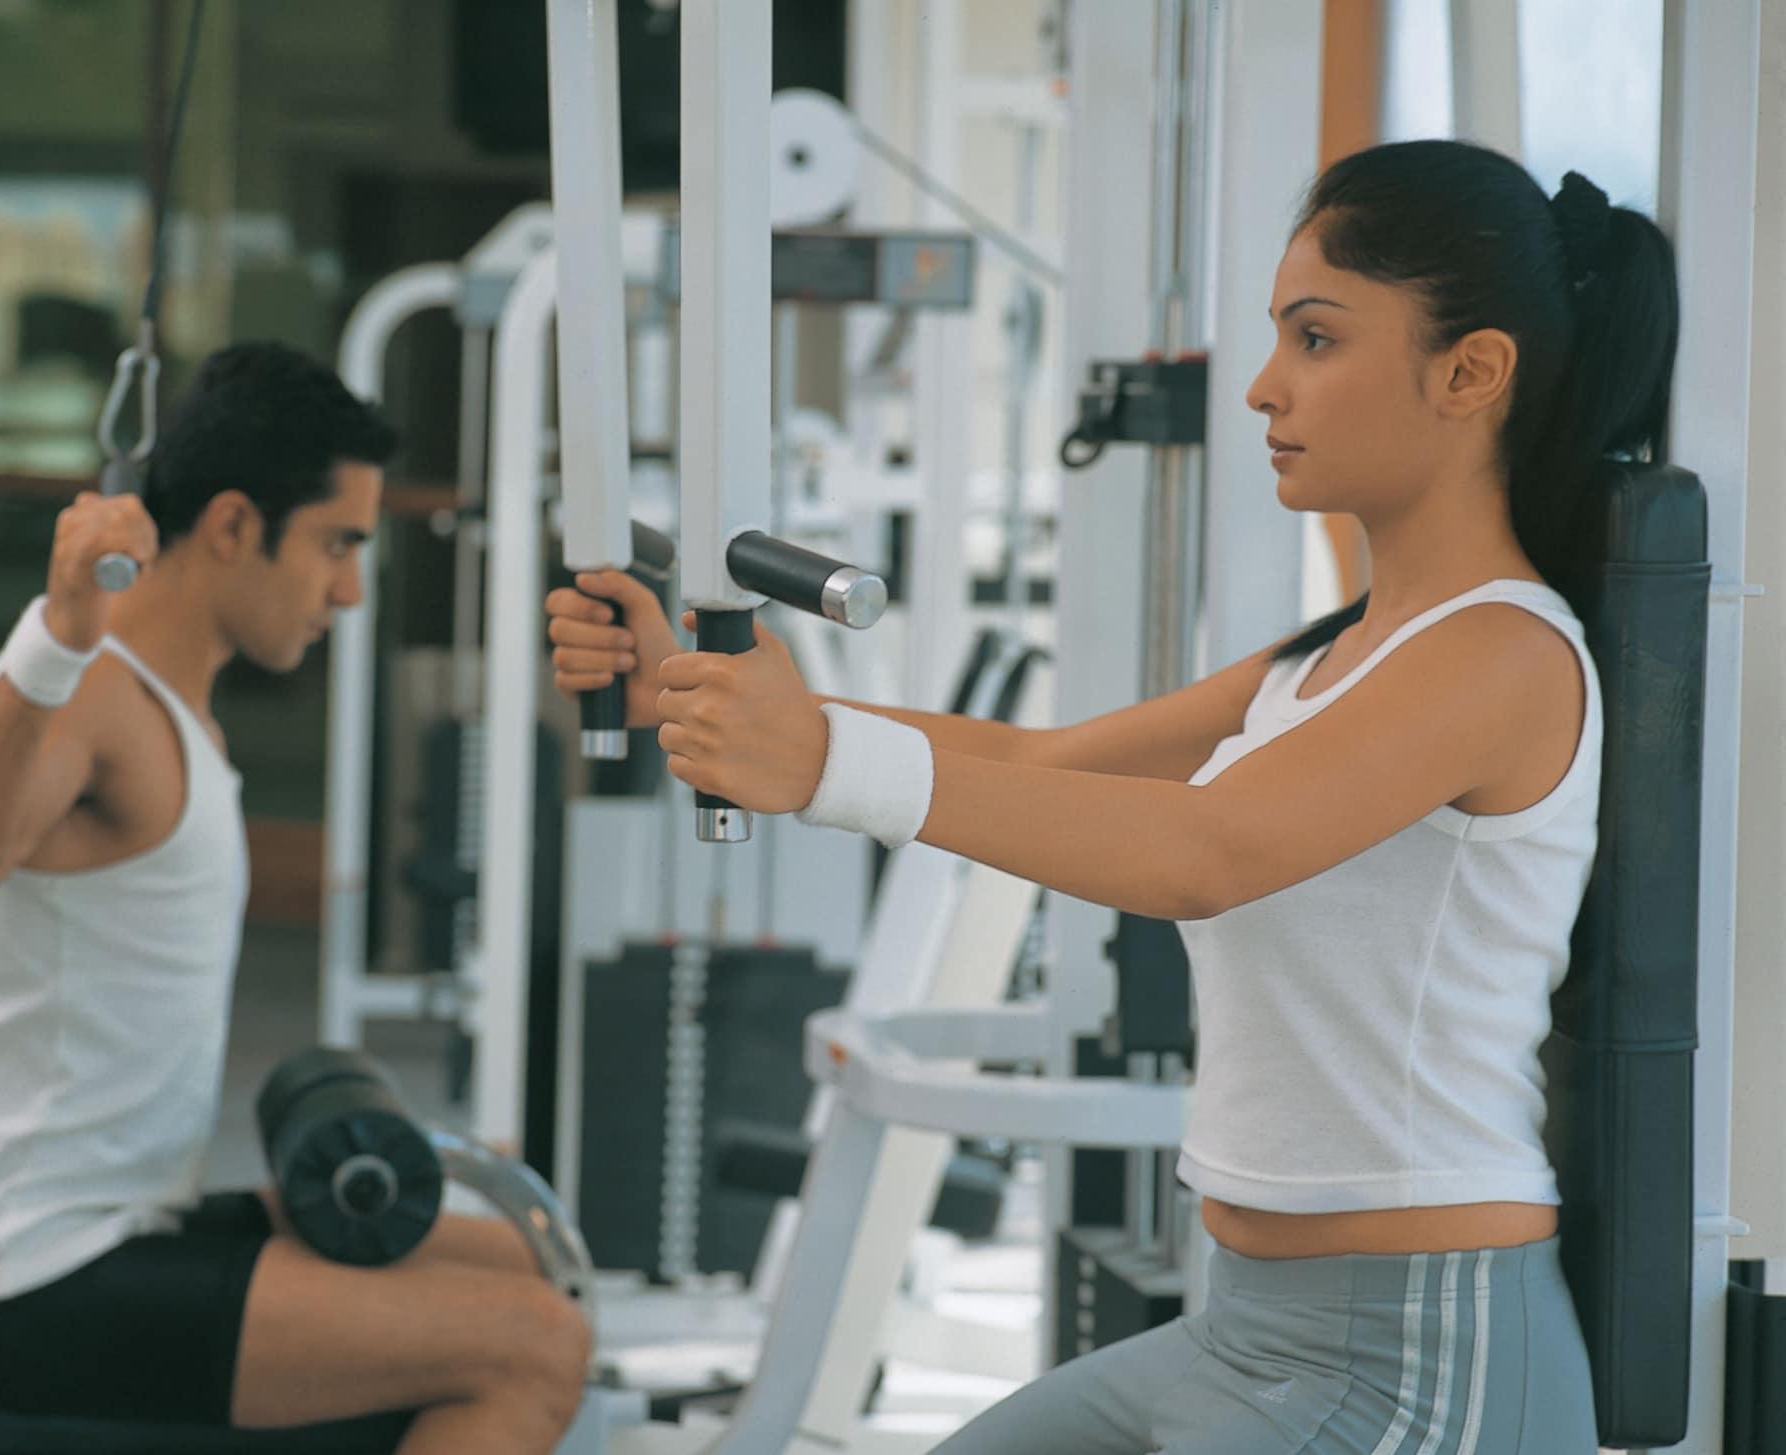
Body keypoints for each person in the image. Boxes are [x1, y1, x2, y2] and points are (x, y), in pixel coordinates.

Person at [545, 140, 1679, 1453]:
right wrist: (688, 695)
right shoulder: (1336, 656)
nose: (1264, 387)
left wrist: (820, 763)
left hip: (1423, 1356)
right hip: (1241, 1327)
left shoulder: (1504, 654)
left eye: (1317, 339)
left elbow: (1206, 847)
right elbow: (1039, 764)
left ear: (1470, 372)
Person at [0, 342, 590, 1455]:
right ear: (229, 526)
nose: (350, 591)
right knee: (529, 1350)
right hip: (24, 1274)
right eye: (335, 545)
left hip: (125, 1223)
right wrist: (57, 636)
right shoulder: (82, 695)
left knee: (519, 1254)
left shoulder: (168, 709)